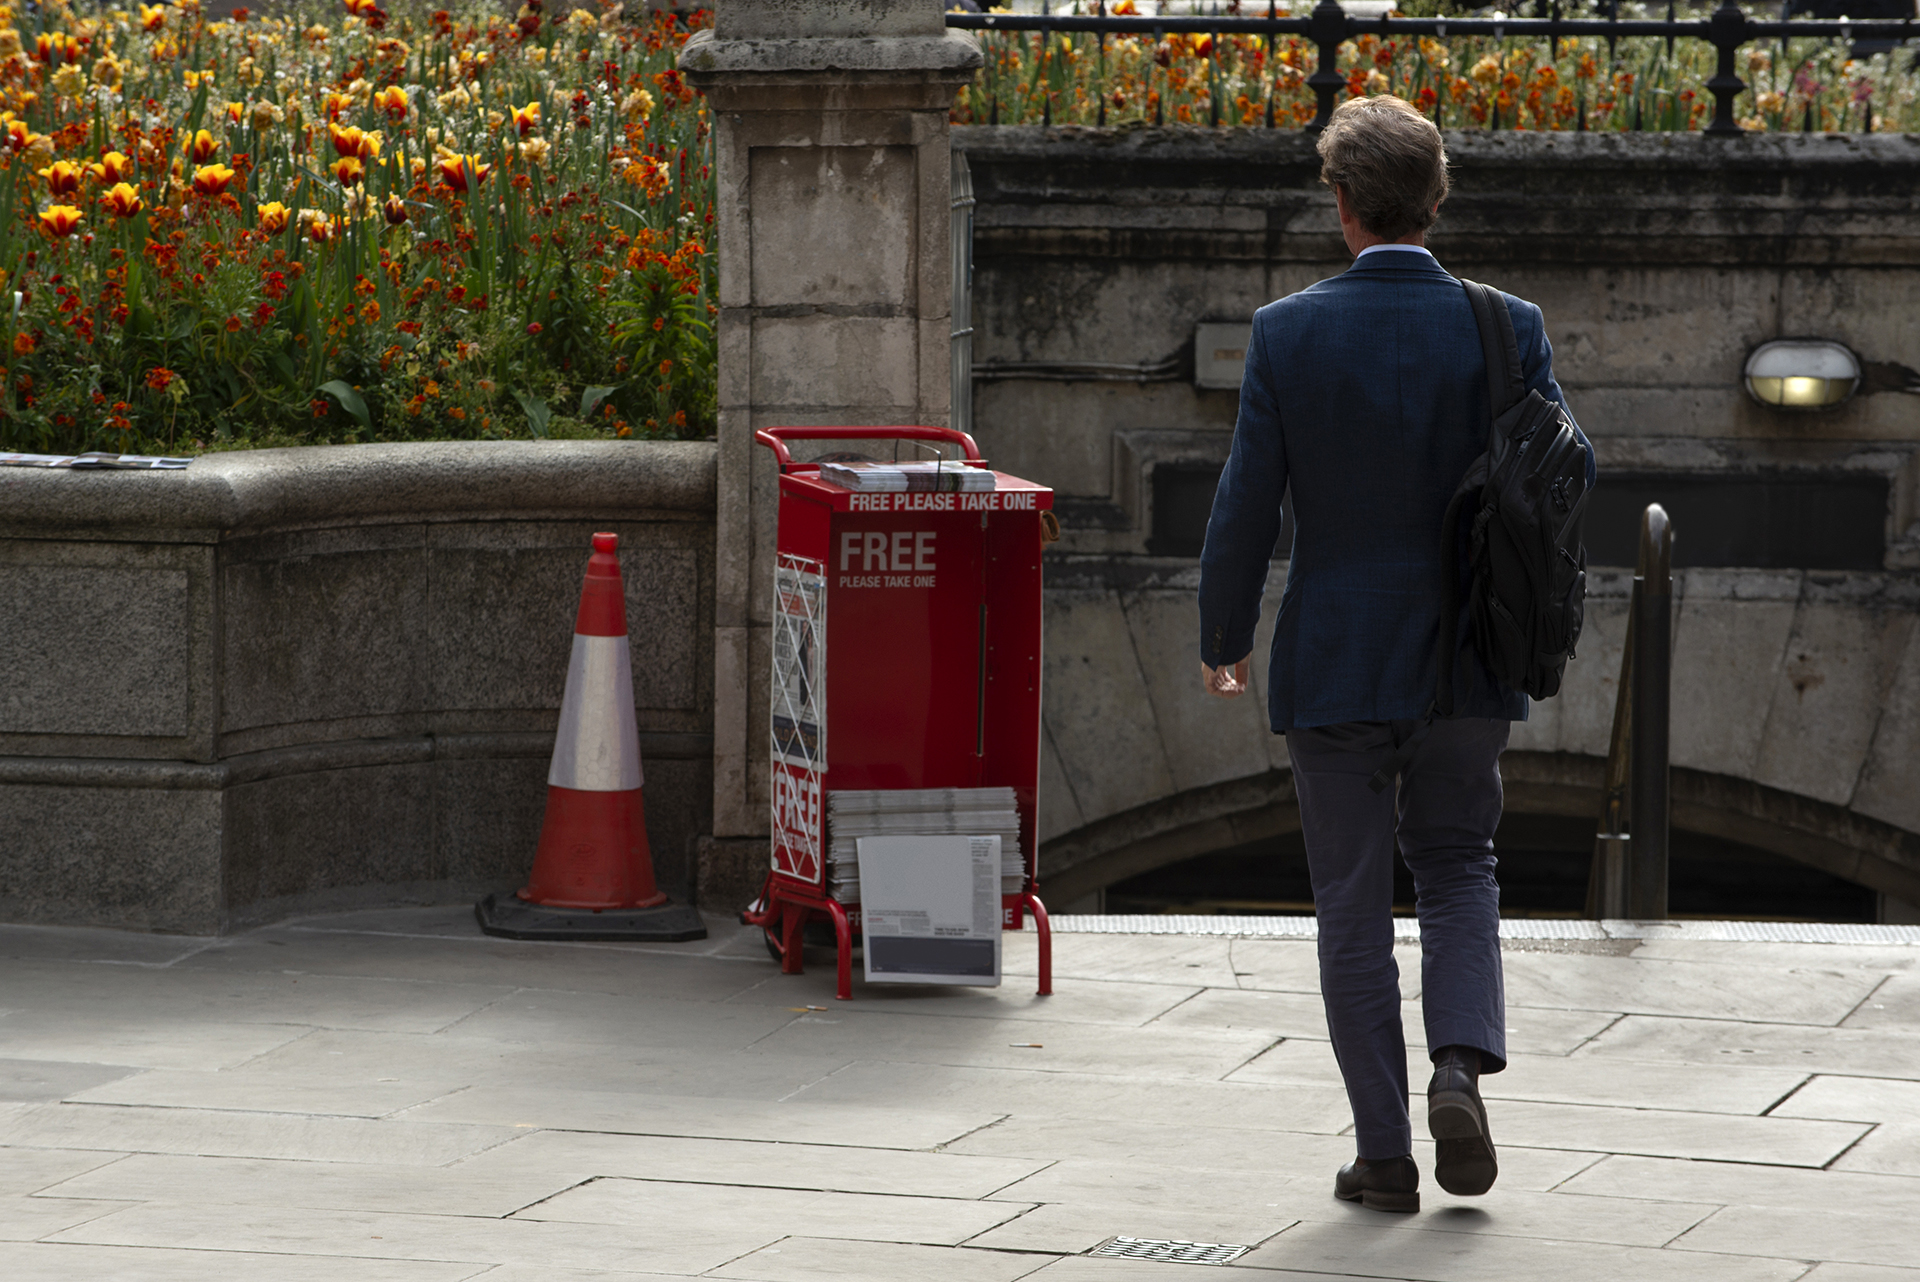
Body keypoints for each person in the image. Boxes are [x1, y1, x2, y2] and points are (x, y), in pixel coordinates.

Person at [1195, 95, 1593, 1214]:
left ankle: (1383, 1156)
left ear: (1341, 206)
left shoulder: (1285, 332)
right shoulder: (1507, 324)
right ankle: (1459, 1066)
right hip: (1472, 653)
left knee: (1352, 902)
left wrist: (1225, 637)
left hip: (1335, 659)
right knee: (1462, 863)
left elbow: (1246, 507)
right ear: (1438, 195)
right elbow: (1568, 468)